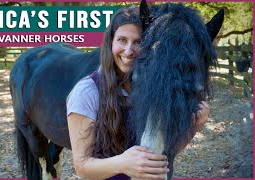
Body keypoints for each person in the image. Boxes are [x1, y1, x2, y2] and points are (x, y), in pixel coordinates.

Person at [66, 5, 209, 180]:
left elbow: (164, 152)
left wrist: (194, 126)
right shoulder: (86, 92)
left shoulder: (154, 89)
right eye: (122, 40)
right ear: (110, 42)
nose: (129, 50)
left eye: (138, 42)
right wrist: (123, 163)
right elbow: (82, 167)